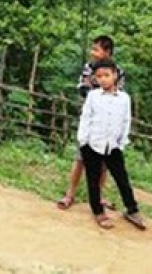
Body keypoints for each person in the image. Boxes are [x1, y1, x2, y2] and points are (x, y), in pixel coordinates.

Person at [56, 34, 127, 210]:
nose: (92, 52)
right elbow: (83, 89)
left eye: (96, 49)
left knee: (104, 163)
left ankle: (99, 197)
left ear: (107, 51)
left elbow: (118, 95)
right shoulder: (88, 69)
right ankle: (69, 194)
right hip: (91, 122)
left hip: (109, 124)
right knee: (81, 158)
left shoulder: (119, 72)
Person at [77, 60, 145, 230]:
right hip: (93, 144)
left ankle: (132, 209)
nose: (103, 80)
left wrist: (121, 142)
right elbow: (85, 118)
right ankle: (98, 211)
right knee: (93, 179)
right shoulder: (93, 96)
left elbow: (125, 120)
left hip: (113, 146)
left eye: (106, 75)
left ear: (115, 75)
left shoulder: (124, 99)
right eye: (99, 76)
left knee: (122, 178)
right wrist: (83, 141)